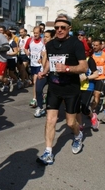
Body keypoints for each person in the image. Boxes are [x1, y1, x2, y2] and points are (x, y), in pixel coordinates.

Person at [36, 15, 88, 165]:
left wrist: (66, 68)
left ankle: (78, 135)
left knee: (71, 123)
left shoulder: (76, 44)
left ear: (69, 29)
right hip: (54, 87)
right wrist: (44, 71)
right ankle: (48, 152)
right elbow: (49, 62)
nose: (59, 30)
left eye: (62, 28)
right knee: (50, 120)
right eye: (56, 28)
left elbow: (83, 67)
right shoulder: (50, 44)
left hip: (71, 89)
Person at [76, 42, 100, 131]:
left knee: (84, 109)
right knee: (76, 107)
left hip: (88, 86)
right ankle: (80, 124)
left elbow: (96, 74)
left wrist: (86, 77)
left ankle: (92, 116)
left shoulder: (89, 59)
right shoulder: (76, 59)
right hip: (77, 86)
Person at [34, 29, 55, 118]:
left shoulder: (55, 48)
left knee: (52, 93)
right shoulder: (43, 47)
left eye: (47, 37)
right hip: (43, 72)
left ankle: (52, 109)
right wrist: (41, 59)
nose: (44, 39)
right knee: (38, 89)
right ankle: (40, 107)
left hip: (53, 73)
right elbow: (42, 60)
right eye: (44, 37)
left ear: (52, 37)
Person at [25, 26, 46, 107]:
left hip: (40, 65)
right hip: (33, 64)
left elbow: (45, 51)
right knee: (36, 82)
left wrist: (41, 57)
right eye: (34, 33)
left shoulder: (43, 41)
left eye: (37, 33)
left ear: (40, 33)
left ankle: (35, 99)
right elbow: (25, 48)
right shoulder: (30, 40)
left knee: (35, 81)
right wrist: (27, 53)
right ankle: (42, 95)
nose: (35, 34)